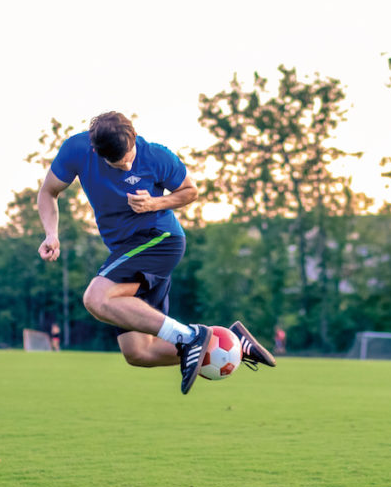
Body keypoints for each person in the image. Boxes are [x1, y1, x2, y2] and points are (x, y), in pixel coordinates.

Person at [37, 111, 276, 394]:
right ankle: (234, 345)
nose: (126, 167)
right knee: (139, 353)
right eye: (116, 163)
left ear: (134, 137)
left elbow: (189, 191)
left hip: (159, 239)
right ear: (94, 150)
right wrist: (51, 233)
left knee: (95, 298)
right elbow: (48, 192)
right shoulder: (76, 149)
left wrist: (155, 203)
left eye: (128, 157)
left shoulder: (156, 157)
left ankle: (191, 336)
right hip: (126, 250)